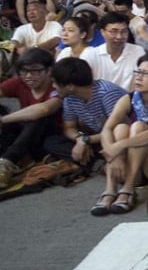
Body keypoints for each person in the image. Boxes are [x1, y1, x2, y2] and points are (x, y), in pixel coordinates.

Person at [90, 54, 148, 216]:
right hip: (136, 165)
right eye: (138, 72)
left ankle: (128, 189)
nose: (139, 78)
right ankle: (110, 189)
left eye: (146, 74)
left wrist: (119, 146)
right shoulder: (128, 99)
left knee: (138, 127)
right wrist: (115, 155)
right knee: (119, 129)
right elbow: (106, 129)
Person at [48, 58, 128, 166]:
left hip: (119, 139)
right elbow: (69, 127)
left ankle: (93, 165)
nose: (53, 86)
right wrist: (79, 139)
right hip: (95, 138)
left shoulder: (107, 94)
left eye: (55, 83)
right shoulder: (69, 97)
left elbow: (119, 130)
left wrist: (86, 140)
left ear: (70, 86)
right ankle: (96, 164)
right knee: (51, 142)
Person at [0, 49, 62, 187]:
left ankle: (7, 162)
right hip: (26, 135)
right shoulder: (19, 82)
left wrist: (2, 120)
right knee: (12, 122)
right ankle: (13, 158)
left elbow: (43, 109)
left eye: (35, 71)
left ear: (49, 71)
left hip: (51, 135)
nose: (28, 76)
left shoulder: (57, 86)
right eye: (24, 71)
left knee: (36, 118)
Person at [83, 12, 147, 91]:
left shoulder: (137, 51)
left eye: (124, 31)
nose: (119, 36)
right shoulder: (90, 54)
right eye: (114, 31)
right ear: (102, 32)